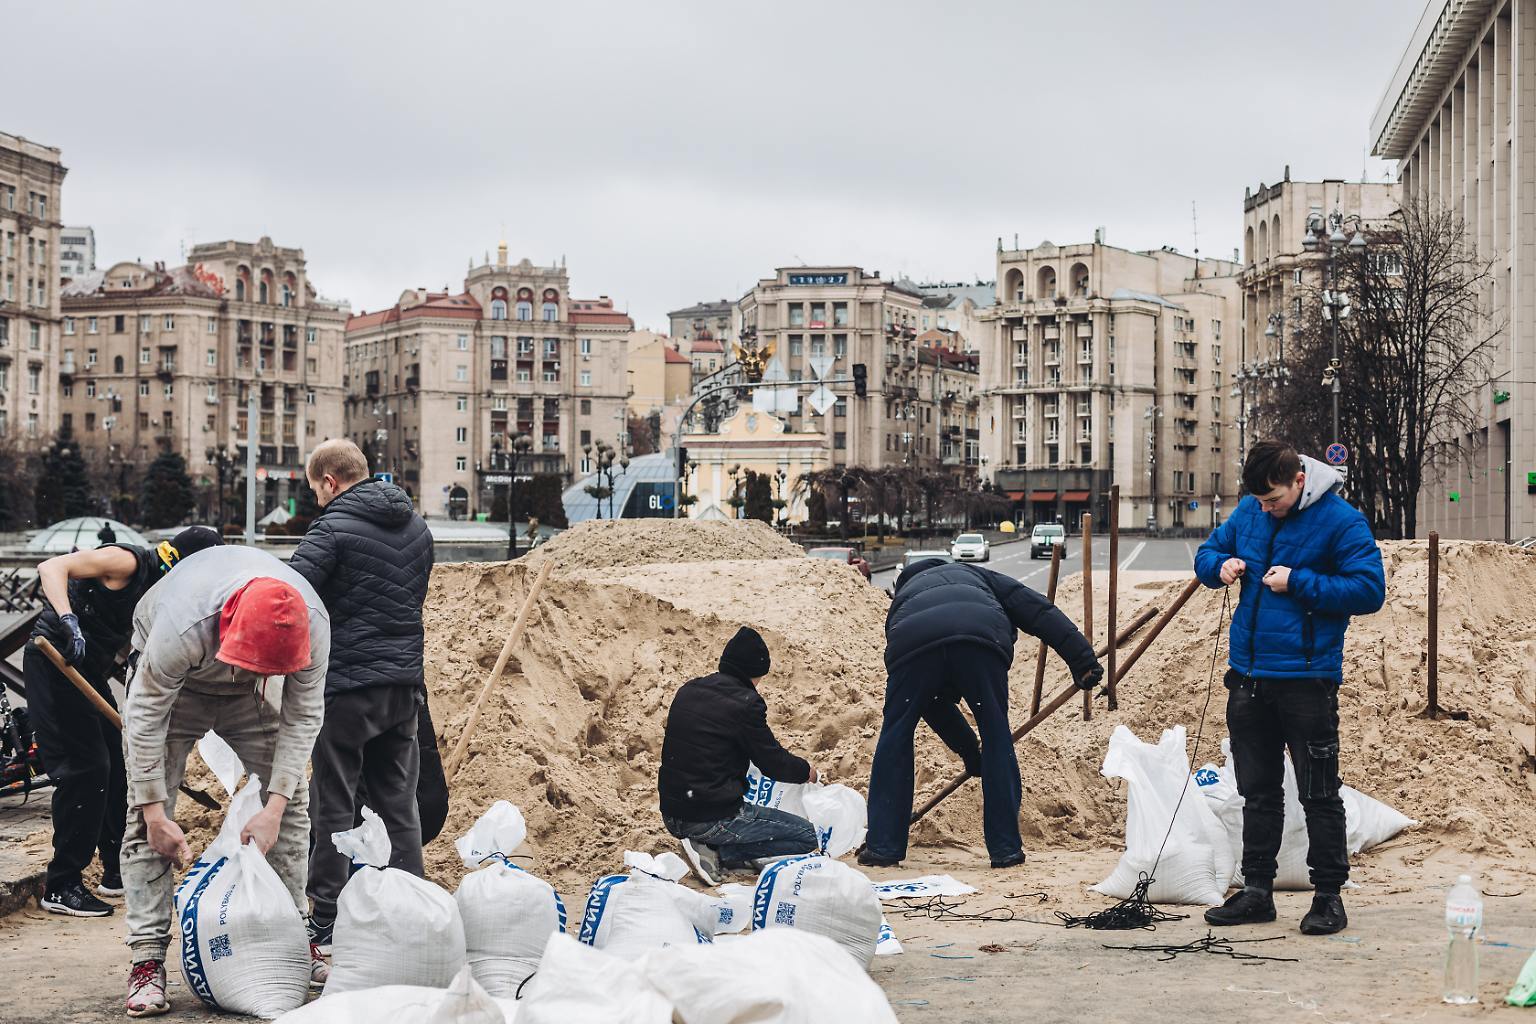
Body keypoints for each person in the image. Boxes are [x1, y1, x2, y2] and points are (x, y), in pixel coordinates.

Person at [120, 546, 329, 1017]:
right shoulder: (183, 624)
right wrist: (155, 811)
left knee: (293, 801)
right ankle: (147, 960)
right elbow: (145, 718)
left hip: (248, 696)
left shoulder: (313, 623)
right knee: (143, 815)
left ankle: (296, 934)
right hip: (177, 690)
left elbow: (304, 716)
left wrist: (273, 808)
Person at [1195, 440, 1384, 936]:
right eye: (1258, 501)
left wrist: (1299, 581)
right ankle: (1256, 891)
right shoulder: (1250, 512)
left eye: (1273, 500)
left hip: (1307, 680)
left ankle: (1328, 897)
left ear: (1299, 480)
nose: (1265, 508)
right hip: (1249, 677)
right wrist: (1219, 567)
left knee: (1319, 794)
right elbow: (1209, 551)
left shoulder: (1341, 521)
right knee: (1256, 793)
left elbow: (1369, 590)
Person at [25, 527, 223, 919]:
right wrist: (68, 619)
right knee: (86, 768)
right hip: (53, 660)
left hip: (85, 670)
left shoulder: (164, 590)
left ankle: (115, 870)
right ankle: (62, 884)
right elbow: (52, 566)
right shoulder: (130, 561)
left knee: (115, 766)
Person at [860, 559, 1102, 870]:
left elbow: (930, 703)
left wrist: (969, 752)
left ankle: (883, 847)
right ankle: (1005, 850)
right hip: (982, 639)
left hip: (914, 645)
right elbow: (1038, 610)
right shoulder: (977, 575)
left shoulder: (904, 599)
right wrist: (1082, 660)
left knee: (896, 735)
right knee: (996, 736)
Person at [289, 439, 434, 957]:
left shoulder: (330, 530)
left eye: (315, 491)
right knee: (399, 802)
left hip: (346, 686)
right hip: (403, 686)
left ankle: (325, 920)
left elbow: (290, 595)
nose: (316, 501)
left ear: (330, 481)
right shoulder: (418, 528)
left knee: (335, 802)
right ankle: (412, 906)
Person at [659, 626, 819, 885]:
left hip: (672, 811)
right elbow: (772, 762)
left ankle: (706, 843)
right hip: (710, 816)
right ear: (754, 673)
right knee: (808, 836)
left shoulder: (689, 689)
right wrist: (806, 771)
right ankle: (721, 852)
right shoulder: (746, 703)